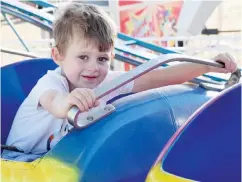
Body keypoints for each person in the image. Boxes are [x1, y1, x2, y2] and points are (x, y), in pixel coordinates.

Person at [2, 3, 237, 162]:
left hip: (51, 161)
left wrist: (207, 65)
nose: (94, 67)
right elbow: (54, 101)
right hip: (17, 160)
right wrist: (67, 103)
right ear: (58, 56)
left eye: (102, 59)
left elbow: (159, 77)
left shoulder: (105, 81)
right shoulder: (50, 83)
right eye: (83, 57)